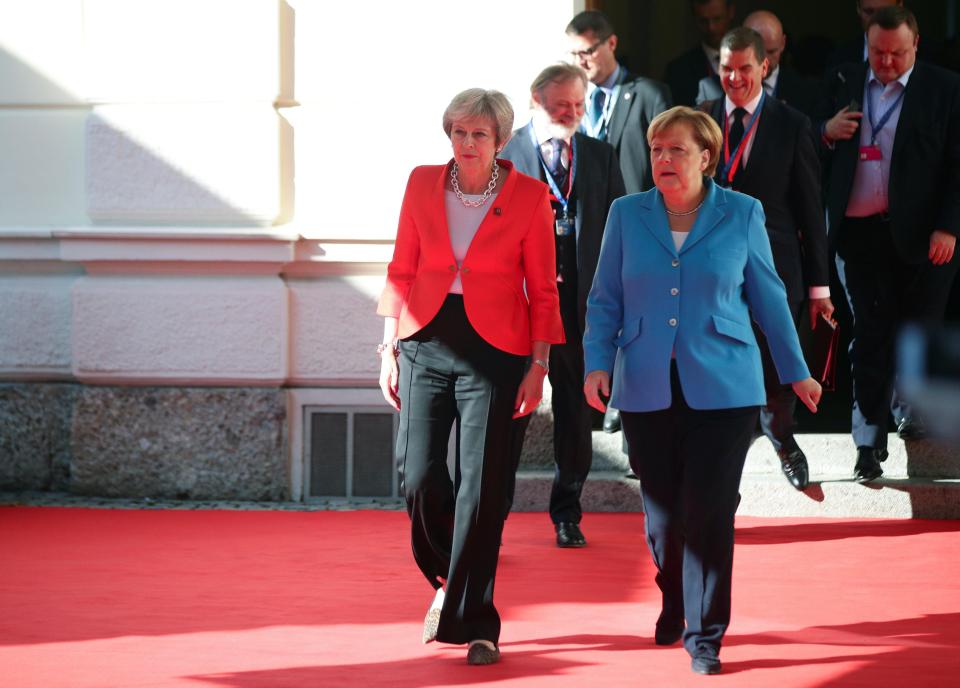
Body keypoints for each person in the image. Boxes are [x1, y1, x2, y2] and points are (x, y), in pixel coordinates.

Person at [583, 106, 821, 675]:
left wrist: (796, 370)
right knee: (663, 520)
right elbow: (604, 298)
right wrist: (596, 363)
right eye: (657, 149)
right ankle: (676, 598)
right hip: (646, 383)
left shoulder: (742, 213)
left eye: (677, 150)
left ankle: (705, 635)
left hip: (725, 386)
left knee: (710, 511)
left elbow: (768, 297)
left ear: (706, 156)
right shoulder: (626, 213)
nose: (663, 159)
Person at [377, 88, 564, 665]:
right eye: (458, 132)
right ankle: (445, 582)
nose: (466, 143)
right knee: (418, 477)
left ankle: (477, 620)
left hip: (498, 349)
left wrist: (539, 366)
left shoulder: (531, 198)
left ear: (502, 141)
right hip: (425, 339)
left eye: (479, 134)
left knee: (482, 489)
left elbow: (543, 289)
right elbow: (401, 267)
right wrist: (387, 347)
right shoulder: (419, 183)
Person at [818, 6, 960, 482]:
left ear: (915, 45)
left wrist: (949, 226)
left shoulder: (945, 88)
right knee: (870, 336)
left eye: (897, 53)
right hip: (859, 234)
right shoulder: (843, 77)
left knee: (918, 330)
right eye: (878, 52)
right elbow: (799, 141)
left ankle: (914, 414)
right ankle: (867, 441)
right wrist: (825, 131)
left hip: (924, 236)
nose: (887, 63)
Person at [700, 27, 833, 490]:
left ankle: (782, 440)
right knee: (718, 366)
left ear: (765, 67)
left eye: (744, 68)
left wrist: (820, 286)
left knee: (777, 367)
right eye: (726, 68)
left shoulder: (792, 122)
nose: (734, 78)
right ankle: (722, 464)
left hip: (775, 268)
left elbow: (810, 210)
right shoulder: (700, 118)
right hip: (710, 272)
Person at [500, 63, 625, 548]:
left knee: (575, 413)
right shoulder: (506, 156)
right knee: (511, 414)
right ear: (536, 99)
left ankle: (567, 512)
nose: (572, 114)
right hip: (522, 305)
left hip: (580, 305)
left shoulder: (600, 155)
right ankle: (495, 516)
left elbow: (617, 234)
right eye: (561, 105)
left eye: (579, 104)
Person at [566, 9, 673, 437]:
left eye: (587, 51)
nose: (581, 61)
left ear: (611, 44)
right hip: (586, 230)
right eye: (573, 54)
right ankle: (596, 392)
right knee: (598, 313)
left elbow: (666, 160)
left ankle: (622, 404)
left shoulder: (647, 93)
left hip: (639, 224)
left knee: (636, 317)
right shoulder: (571, 99)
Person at [696, 11, 818, 118]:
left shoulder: (807, 93)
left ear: (782, 43)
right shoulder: (711, 90)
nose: (764, 60)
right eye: (755, 52)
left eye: (771, 52)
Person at [664, 0, 737, 107]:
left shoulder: (750, 61)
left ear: (731, 12)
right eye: (703, 21)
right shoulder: (678, 70)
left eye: (717, 19)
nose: (711, 27)